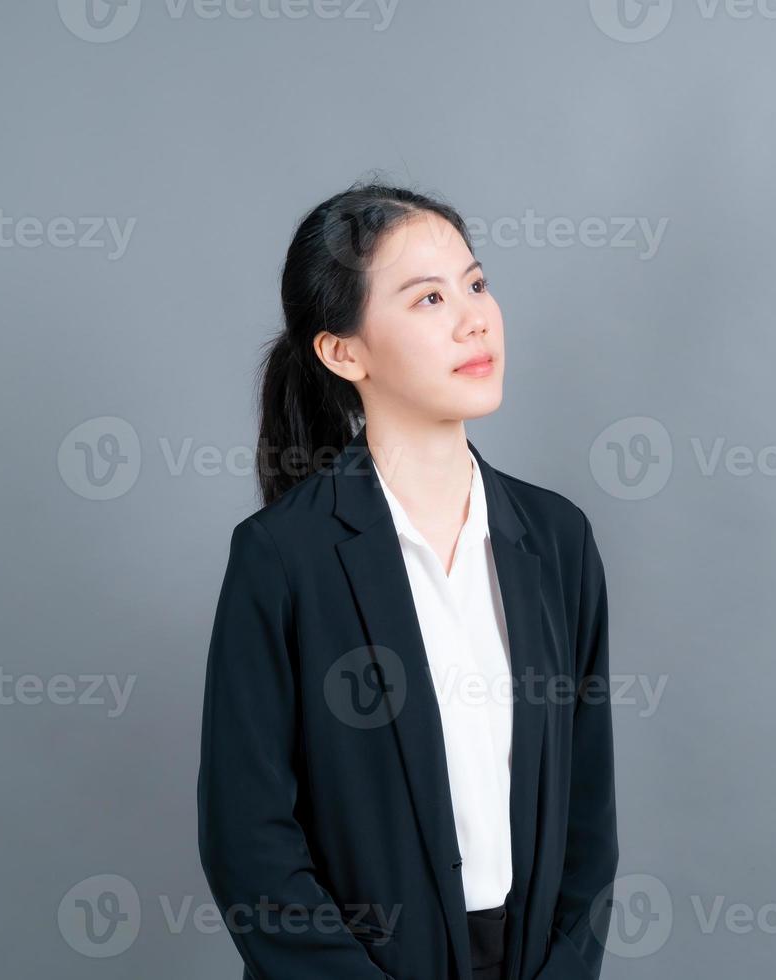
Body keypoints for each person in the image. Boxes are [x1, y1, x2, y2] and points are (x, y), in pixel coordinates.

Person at [197, 179, 619, 979]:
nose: (474, 318)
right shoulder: (283, 558)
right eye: (427, 299)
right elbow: (248, 843)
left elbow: (588, 814)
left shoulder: (557, 539)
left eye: (476, 284)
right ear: (342, 351)